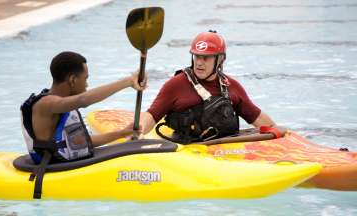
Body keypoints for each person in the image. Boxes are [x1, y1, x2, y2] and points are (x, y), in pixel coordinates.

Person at [139, 30, 276, 143]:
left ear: (220, 59)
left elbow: (260, 120)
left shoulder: (232, 87)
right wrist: (137, 133)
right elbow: (151, 116)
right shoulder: (176, 84)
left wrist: (281, 132)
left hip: (223, 152)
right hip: (185, 152)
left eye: (206, 58)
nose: (199, 62)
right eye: (197, 56)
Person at [21, 51, 146, 163]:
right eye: (85, 79)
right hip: (52, 171)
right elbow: (84, 100)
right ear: (73, 80)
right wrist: (128, 81)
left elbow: (84, 143)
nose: (86, 84)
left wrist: (122, 133)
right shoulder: (46, 104)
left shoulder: (62, 104)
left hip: (64, 164)